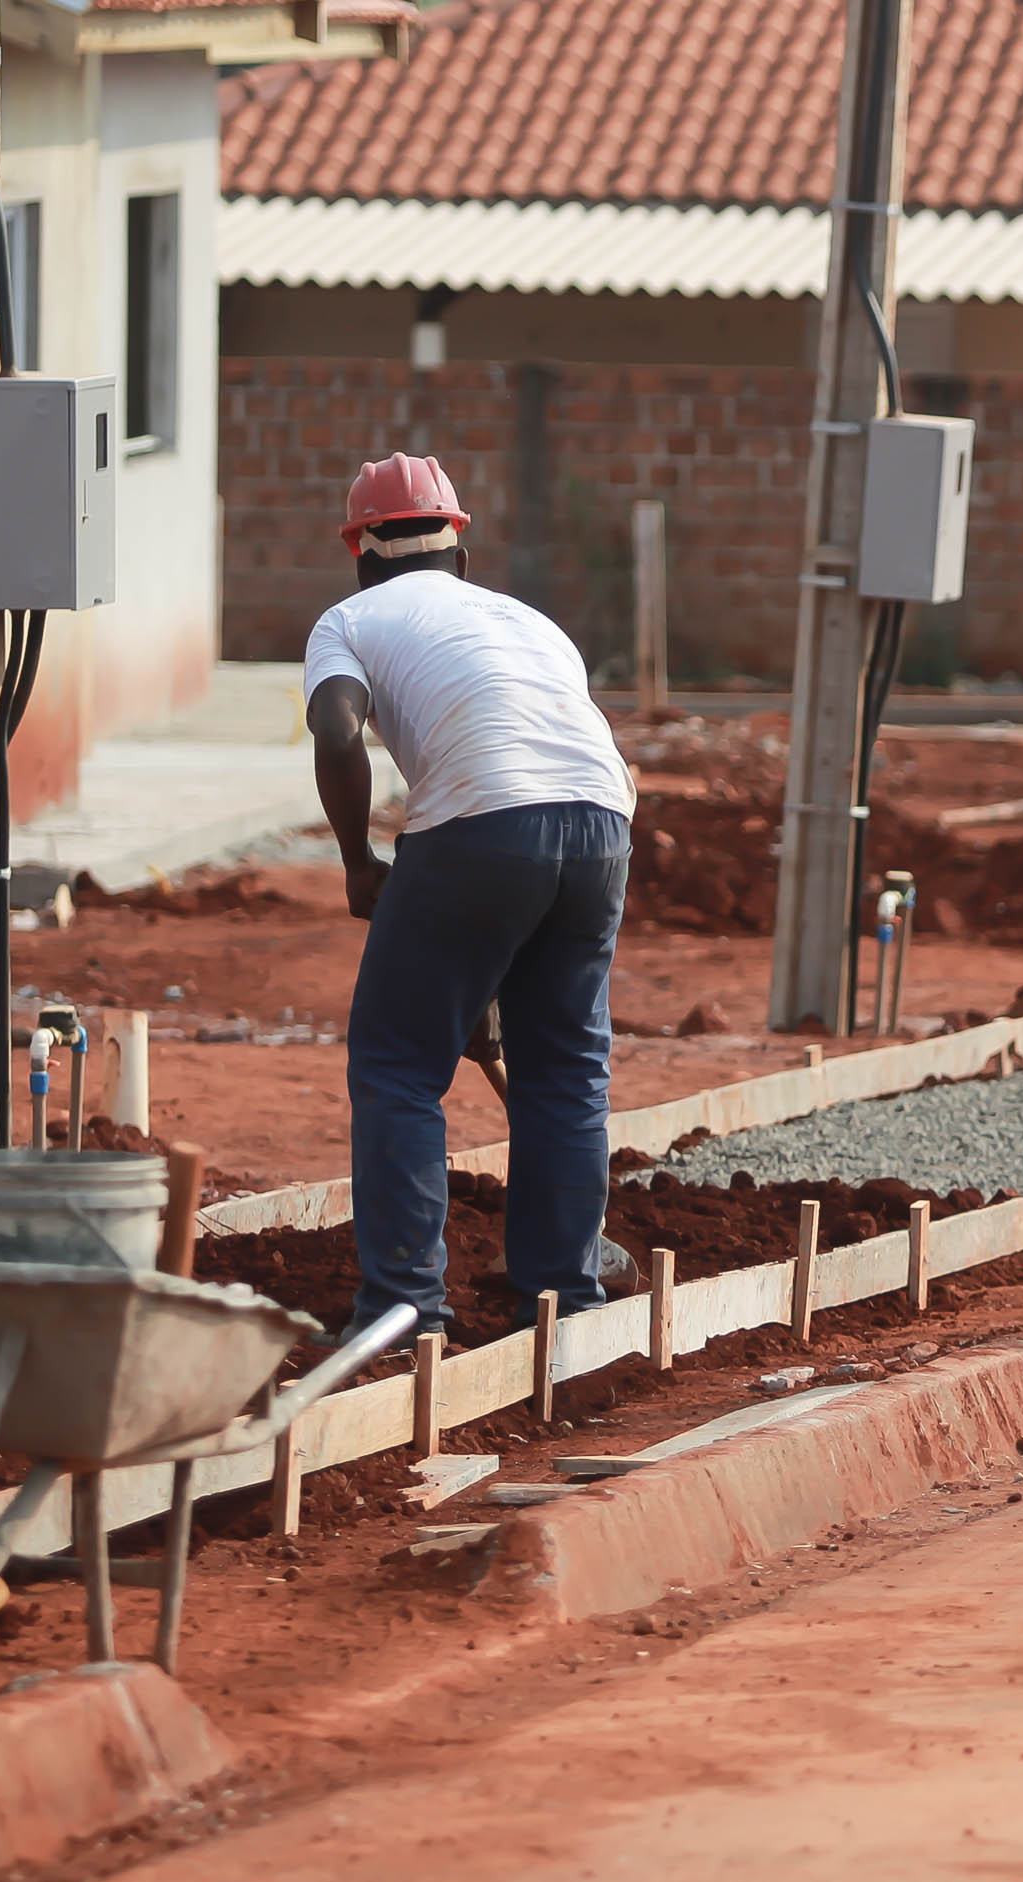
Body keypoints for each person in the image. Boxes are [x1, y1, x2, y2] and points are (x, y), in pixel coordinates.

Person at [307, 454, 637, 1338]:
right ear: (459, 544)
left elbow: (338, 732)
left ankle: (405, 1309)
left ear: (361, 548)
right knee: (563, 1068)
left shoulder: (350, 618)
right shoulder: (530, 621)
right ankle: (565, 1298)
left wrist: (356, 861)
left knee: (397, 1067)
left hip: (480, 824)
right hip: (602, 822)